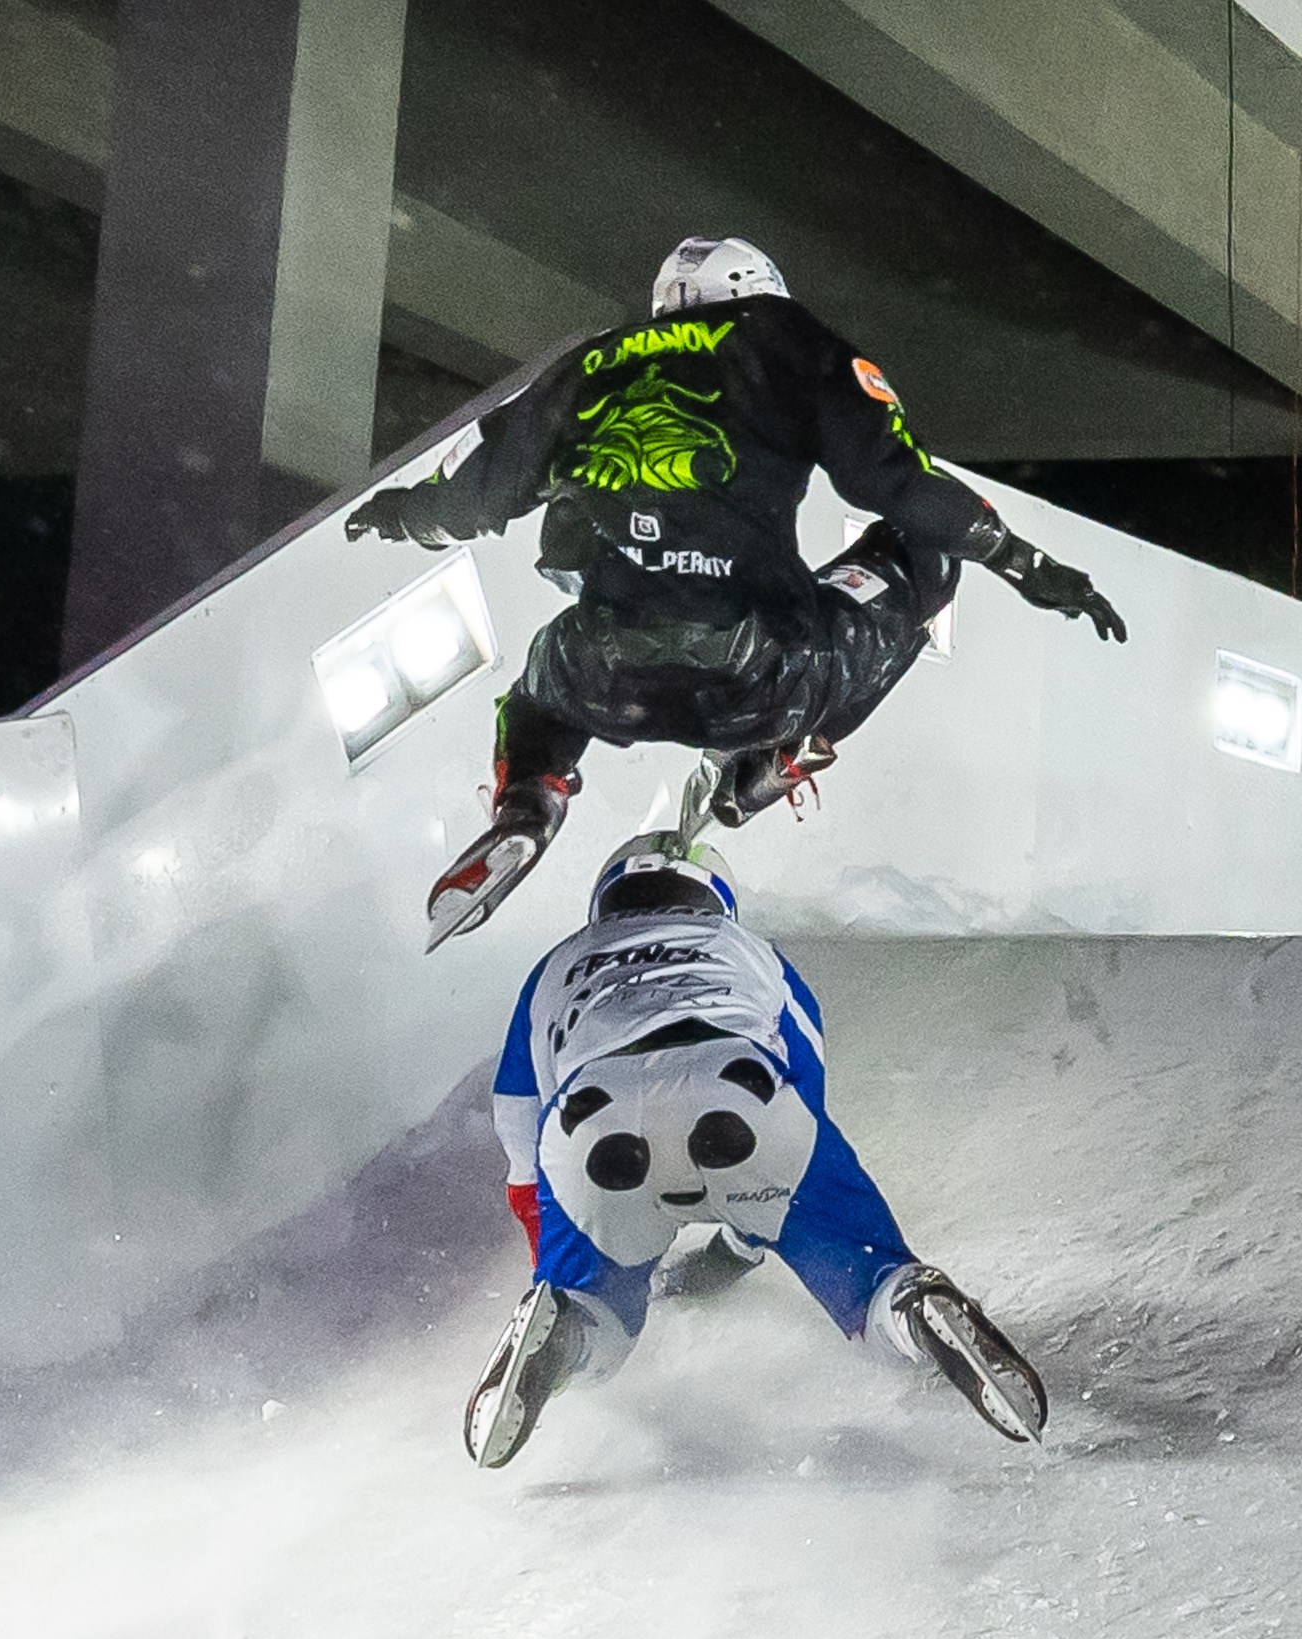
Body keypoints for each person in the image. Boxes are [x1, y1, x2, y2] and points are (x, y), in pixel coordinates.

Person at [345, 235, 1127, 948]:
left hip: (601, 674)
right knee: (923, 554)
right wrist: (1027, 566)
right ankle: (779, 755)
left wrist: (400, 514)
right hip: (764, 674)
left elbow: (472, 496)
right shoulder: (783, 340)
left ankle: (528, 799)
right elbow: (898, 482)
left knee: (540, 690)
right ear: (761, 290)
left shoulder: (592, 365)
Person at [463, 831, 1049, 1469]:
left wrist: (554, 1262)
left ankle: (562, 1326)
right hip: (736, 1097)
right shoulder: (749, 951)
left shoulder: (557, 964)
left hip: (596, 1123)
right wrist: (749, 1238)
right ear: (716, 897)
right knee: (869, 1278)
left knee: (598, 1318)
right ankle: (912, 1307)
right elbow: (806, 1095)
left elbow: (519, 1130)